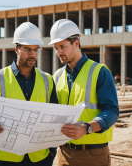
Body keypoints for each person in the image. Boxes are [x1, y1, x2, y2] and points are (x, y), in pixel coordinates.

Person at [0, 22, 58, 166]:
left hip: (39, 158)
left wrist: (51, 152)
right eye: (27, 49)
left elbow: (55, 117)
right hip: (3, 159)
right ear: (16, 49)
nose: (32, 54)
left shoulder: (47, 80)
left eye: (36, 49)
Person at [49, 19, 119, 166]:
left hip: (92, 155)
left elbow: (112, 111)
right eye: (56, 48)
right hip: (64, 154)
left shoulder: (99, 71)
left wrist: (87, 128)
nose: (59, 52)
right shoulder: (57, 76)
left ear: (76, 43)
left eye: (62, 46)